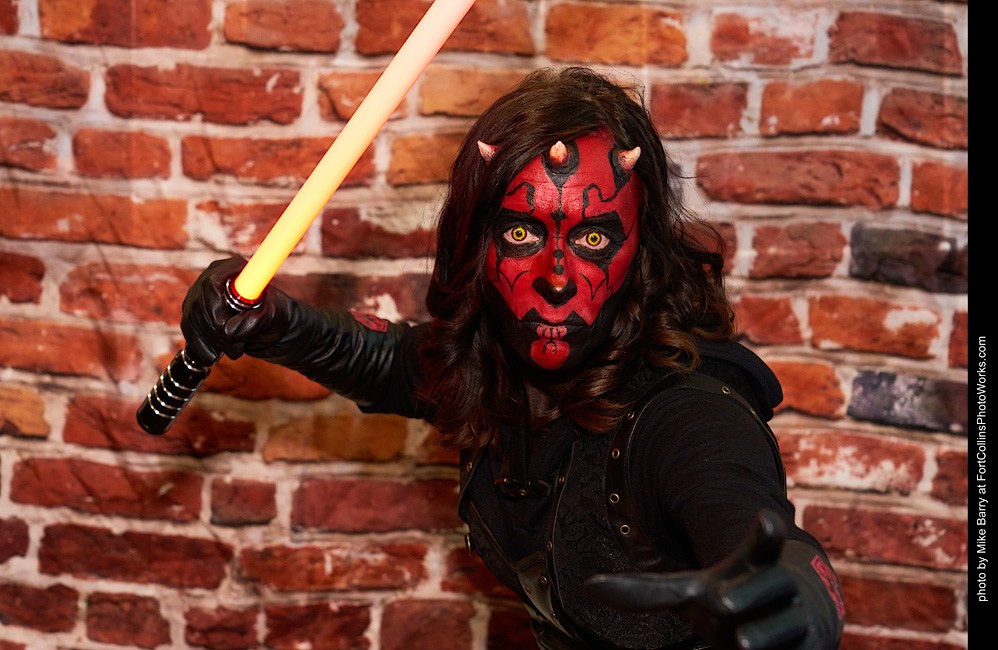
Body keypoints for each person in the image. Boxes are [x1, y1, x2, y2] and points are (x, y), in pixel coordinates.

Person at [179, 67, 846, 649]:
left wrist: (799, 596)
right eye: (523, 231)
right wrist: (270, 318)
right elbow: (382, 361)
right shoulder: (493, 364)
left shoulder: (683, 415)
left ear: (639, 253)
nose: (556, 278)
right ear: (479, 244)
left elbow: (750, 521)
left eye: (591, 238)